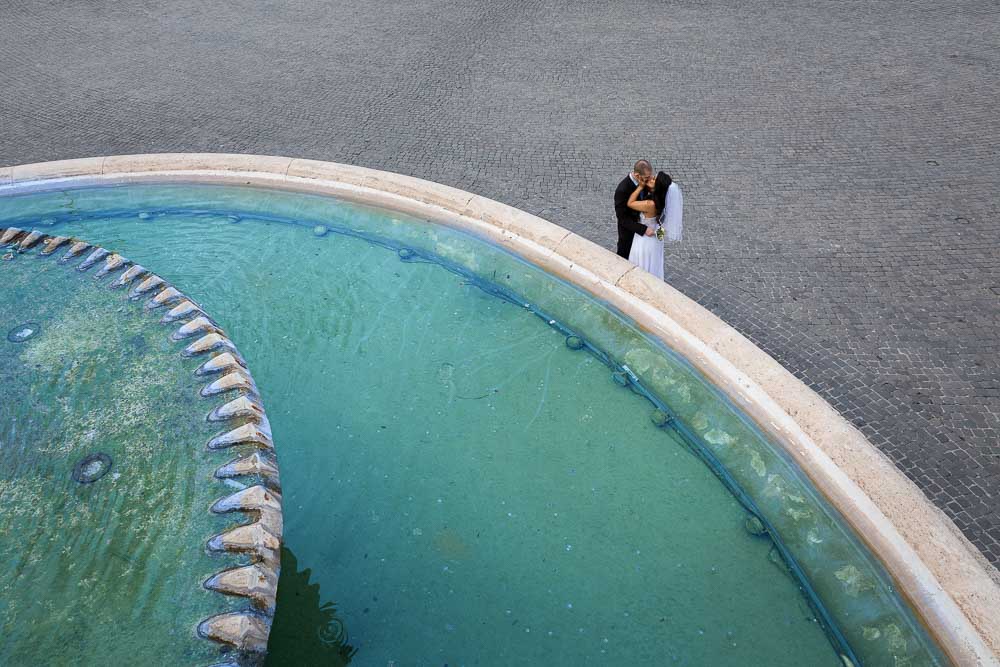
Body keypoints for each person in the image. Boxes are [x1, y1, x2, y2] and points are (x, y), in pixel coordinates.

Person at [625, 171, 683, 279]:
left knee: (641, 267)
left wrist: (640, 187)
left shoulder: (650, 204)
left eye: (654, 179)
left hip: (644, 240)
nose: (651, 178)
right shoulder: (663, 203)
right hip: (656, 241)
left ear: (658, 187)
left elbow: (630, 203)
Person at [614, 160, 654, 259]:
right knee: (624, 257)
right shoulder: (622, 190)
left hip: (646, 230)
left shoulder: (645, 182)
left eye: (650, 176)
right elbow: (622, 219)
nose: (650, 179)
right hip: (629, 232)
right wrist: (643, 229)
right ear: (637, 175)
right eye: (647, 177)